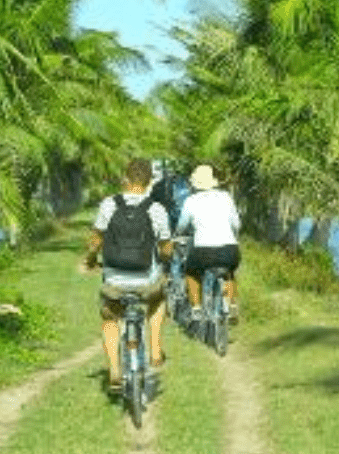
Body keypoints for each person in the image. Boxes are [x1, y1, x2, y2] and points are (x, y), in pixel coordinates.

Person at [83, 157, 172, 392]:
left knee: (110, 316)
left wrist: (90, 260)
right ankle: (155, 349)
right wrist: (165, 261)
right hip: (146, 280)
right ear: (149, 181)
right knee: (158, 298)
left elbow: (95, 240)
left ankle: (114, 369)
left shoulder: (109, 205)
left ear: (125, 178)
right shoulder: (157, 209)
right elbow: (166, 248)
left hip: (114, 280)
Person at [175, 163, 241, 321]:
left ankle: (196, 308)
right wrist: (234, 236)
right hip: (229, 250)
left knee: (191, 272)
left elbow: (182, 226)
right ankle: (232, 305)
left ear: (195, 184)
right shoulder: (226, 197)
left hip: (203, 251)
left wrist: (178, 234)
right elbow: (237, 224)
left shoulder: (191, 201)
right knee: (229, 272)